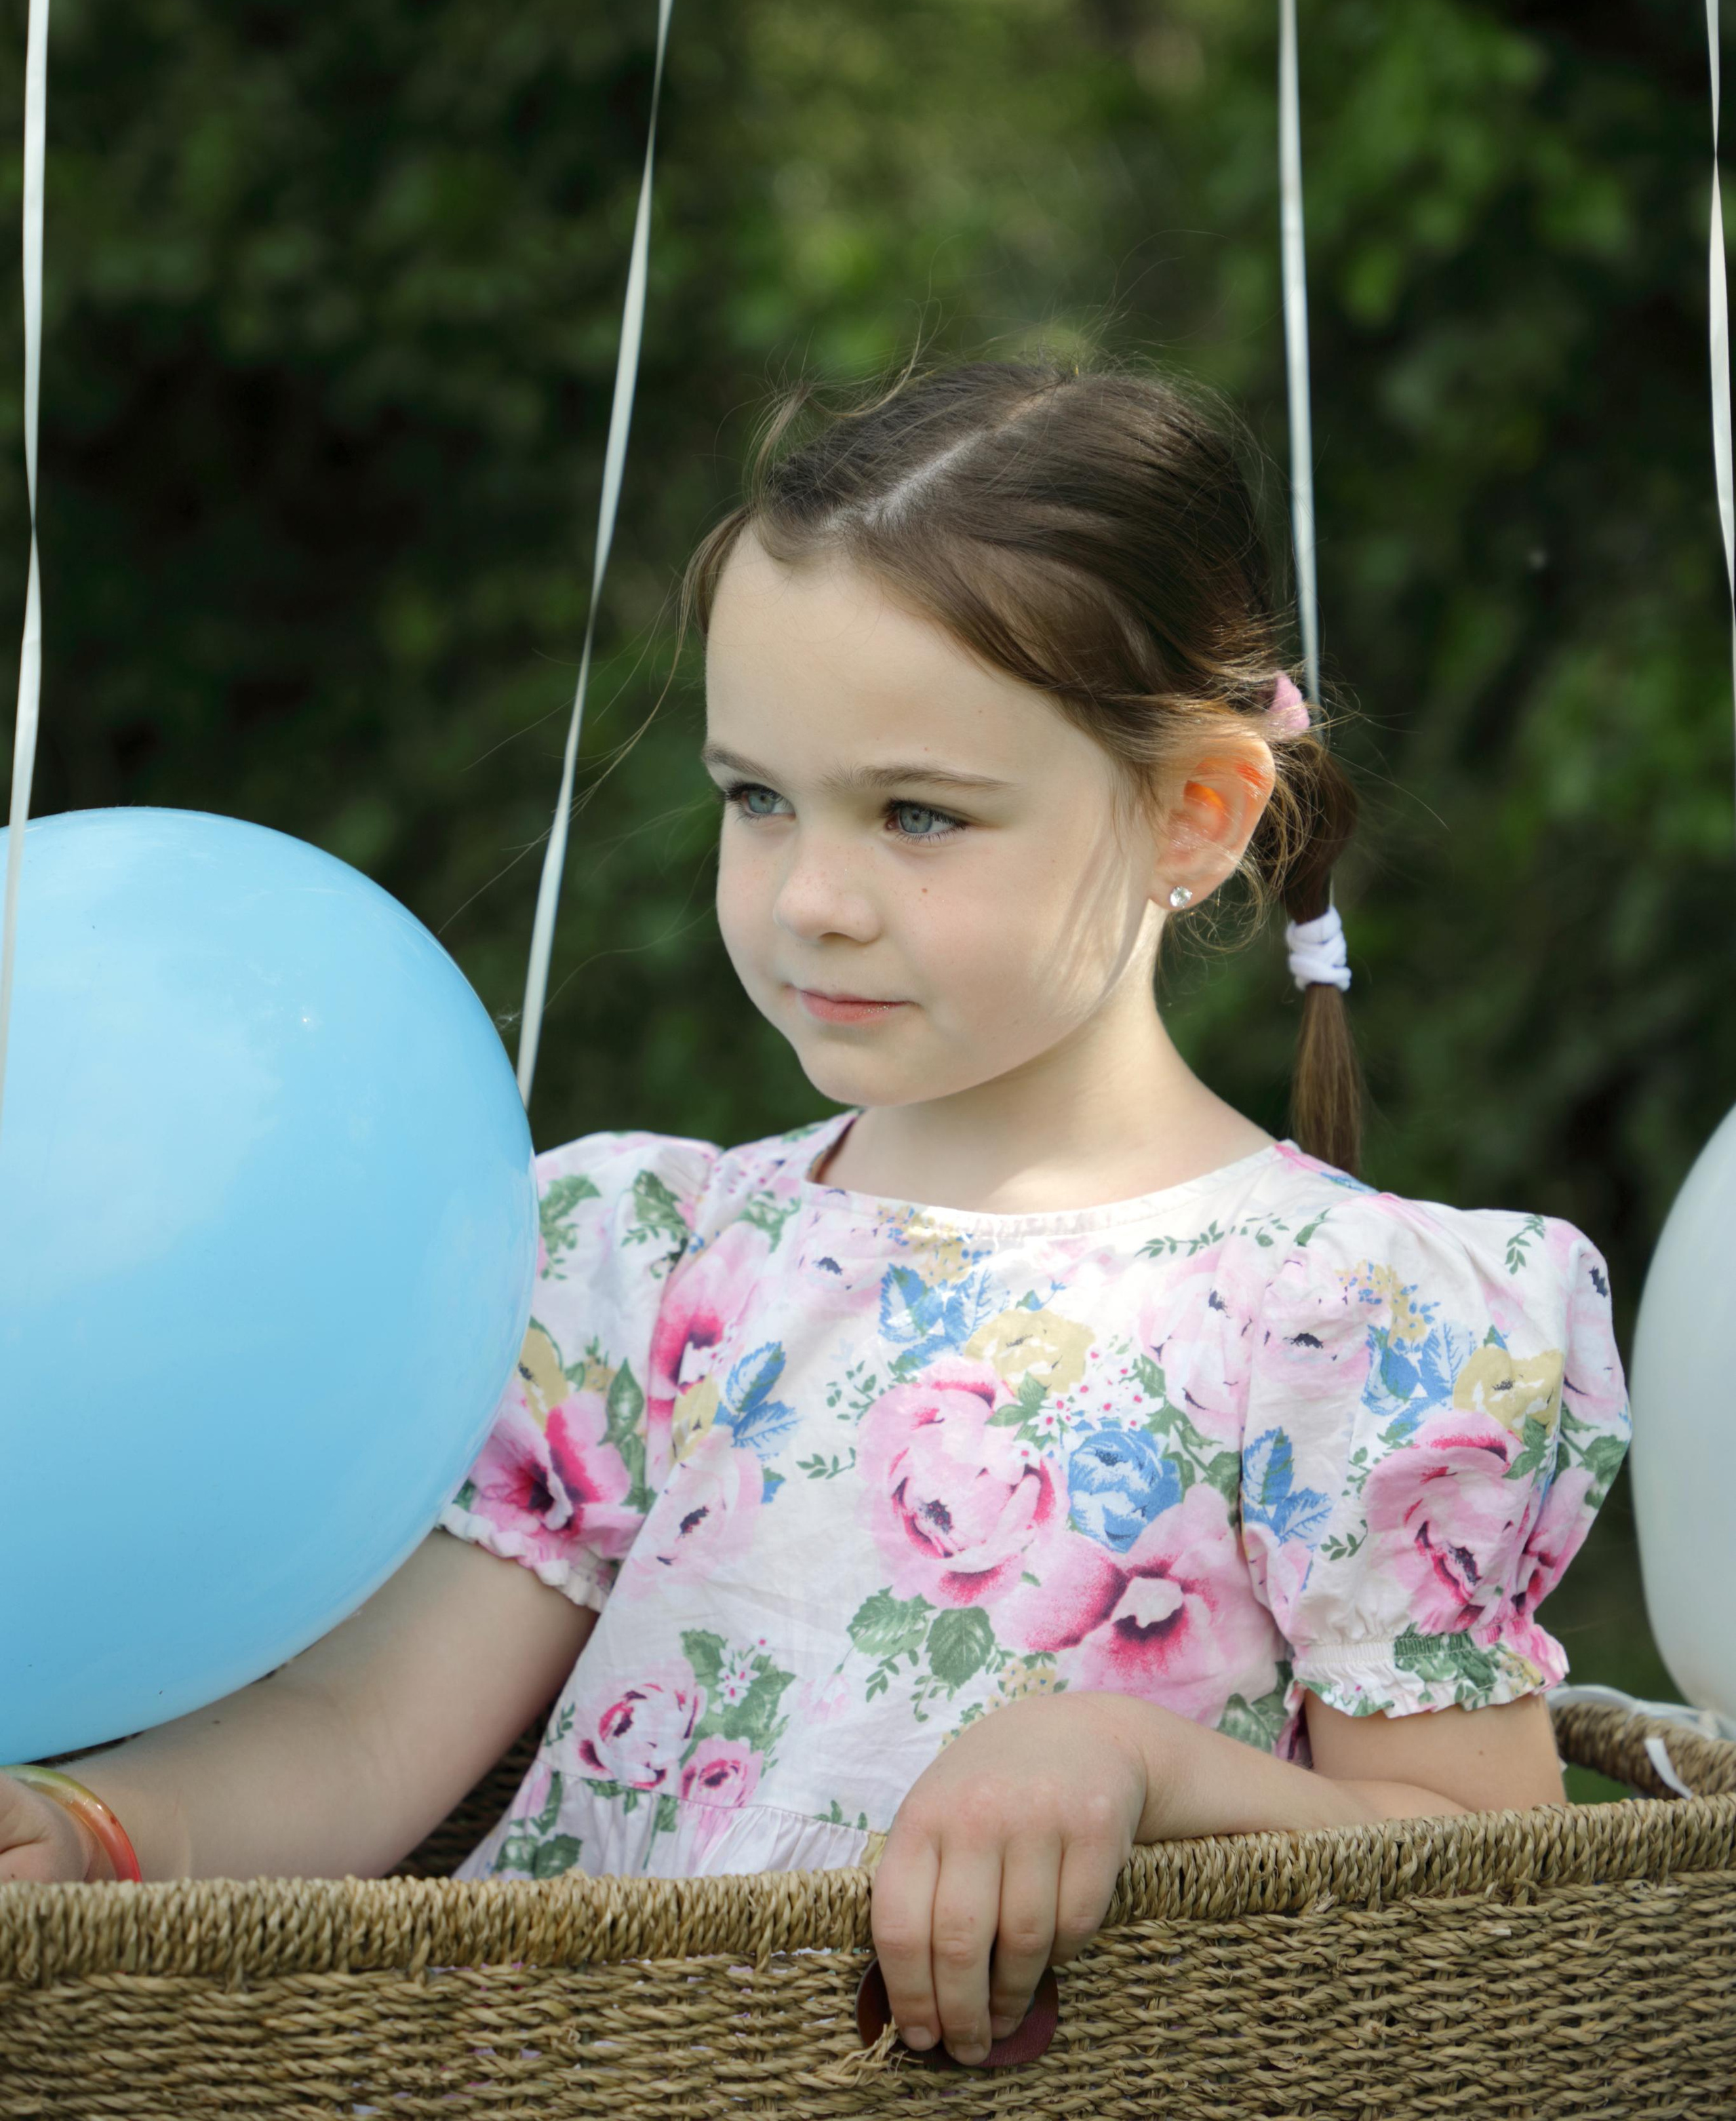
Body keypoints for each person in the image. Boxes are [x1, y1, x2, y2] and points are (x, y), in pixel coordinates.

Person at [0, 360, 1629, 2067]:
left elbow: (1485, 1903)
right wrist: (110, 1836)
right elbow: (354, 1735)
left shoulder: (1354, 1322)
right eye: (754, 798)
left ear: (1192, 815)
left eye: (916, 815)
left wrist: (1129, 1760)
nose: (809, 900)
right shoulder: (654, 1263)